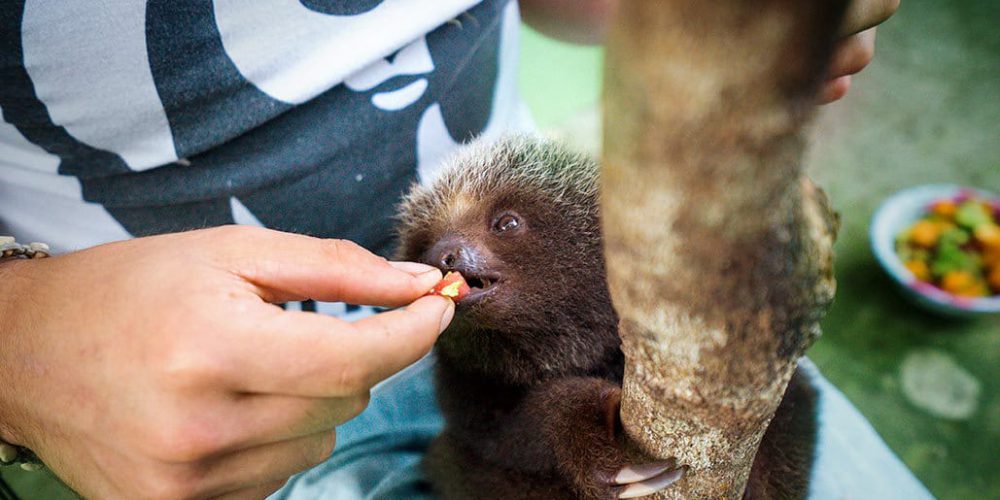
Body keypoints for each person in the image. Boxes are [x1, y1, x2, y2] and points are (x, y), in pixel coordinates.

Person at [0, 0, 899, 498]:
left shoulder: (622, 254)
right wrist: (17, 338)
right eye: (434, 247)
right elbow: (487, 434)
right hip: (182, 400)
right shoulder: (479, 370)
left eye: (500, 226)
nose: (453, 253)